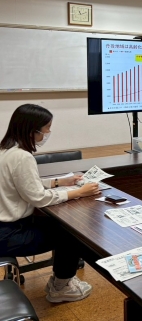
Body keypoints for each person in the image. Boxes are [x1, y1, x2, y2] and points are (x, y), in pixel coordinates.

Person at [0, 104, 101, 303]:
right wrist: (78, 192)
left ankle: (60, 280)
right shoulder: (22, 156)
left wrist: (58, 182)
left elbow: (24, 183)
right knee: (72, 234)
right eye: (47, 128)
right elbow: (39, 198)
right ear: (32, 130)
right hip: (9, 234)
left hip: (7, 228)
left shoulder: (6, 150)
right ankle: (61, 287)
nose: (48, 133)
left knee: (61, 226)